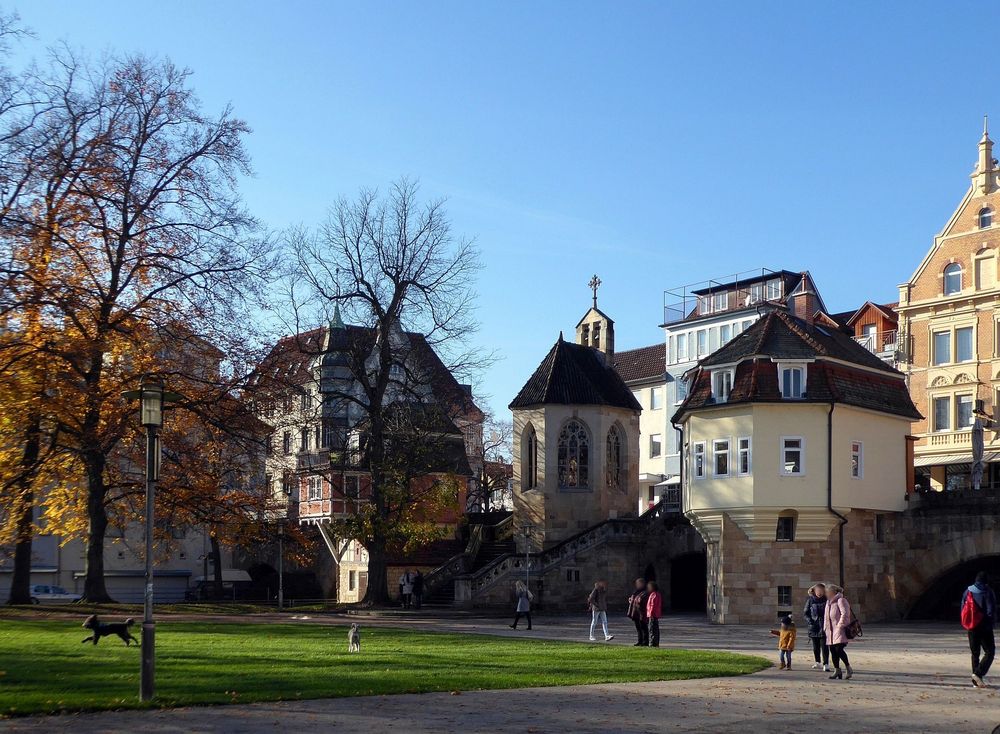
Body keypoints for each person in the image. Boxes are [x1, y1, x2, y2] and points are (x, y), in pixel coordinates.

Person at [962, 571, 997, 688]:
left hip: (971, 626)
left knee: (975, 653)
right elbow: (990, 610)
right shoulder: (988, 591)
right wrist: (992, 623)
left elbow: (963, 607)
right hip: (984, 627)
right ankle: (978, 673)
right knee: (990, 652)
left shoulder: (968, 591)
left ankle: (976, 681)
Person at [823, 584, 854, 680]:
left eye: (828, 592)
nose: (826, 594)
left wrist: (840, 626)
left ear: (834, 592)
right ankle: (837, 670)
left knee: (838, 649)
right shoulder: (828, 603)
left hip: (840, 630)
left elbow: (845, 614)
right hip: (830, 631)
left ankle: (848, 668)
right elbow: (826, 617)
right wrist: (825, 627)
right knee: (832, 650)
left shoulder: (841, 600)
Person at [803, 583, 830, 672]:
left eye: (821, 591)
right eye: (818, 591)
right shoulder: (810, 600)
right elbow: (806, 613)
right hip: (814, 626)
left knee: (824, 646)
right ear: (814, 591)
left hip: (824, 626)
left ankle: (826, 663)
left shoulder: (827, 600)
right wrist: (810, 621)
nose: (819, 593)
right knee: (815, 647)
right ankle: (817, 661)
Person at [627, 577, 649, 647]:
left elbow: (642, 601)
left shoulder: (645, 591)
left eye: (638, 583)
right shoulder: (636, 591)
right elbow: (635, 599)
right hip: (636, 613)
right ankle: (640, 641)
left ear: (642, 584)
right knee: (639, 628)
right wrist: (631, 600)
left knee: (643, 628)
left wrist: (636, 601)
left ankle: (645, 642)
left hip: (641, 613)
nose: (637, 585)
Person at [646, 580, 663, 647]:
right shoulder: (656, 594)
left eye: (649, 587)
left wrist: (651, 614)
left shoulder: (654, 594)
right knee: (654, 629)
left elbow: (653, 605)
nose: (648, 588)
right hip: (654, 614)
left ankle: (653, 643)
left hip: (652, 615)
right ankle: (655, 642)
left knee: (652, 629)